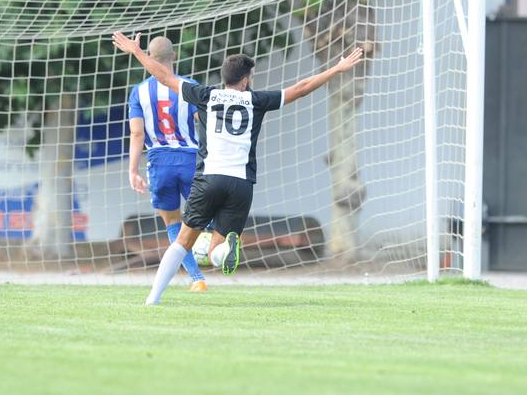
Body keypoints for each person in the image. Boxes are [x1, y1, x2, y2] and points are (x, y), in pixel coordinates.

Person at [111, 31, 363, 305]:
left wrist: (137, 52)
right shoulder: (256, 101)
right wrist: (337, 68)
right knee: (217, 249)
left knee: (182, 241)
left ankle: (153, 298)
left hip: (209, 180)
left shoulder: (206, 95)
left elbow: (163, 76)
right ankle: (223, 250)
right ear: (245, 80)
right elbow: (301, 87)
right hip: (241, 185)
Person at [126, 36, 209, 292]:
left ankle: (197, 279)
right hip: (189, 159)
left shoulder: (139, 91)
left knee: (173, 222)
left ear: (149, 59)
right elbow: (204, 121)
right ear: (174, 57)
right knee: (202, 216)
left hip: (159, 162)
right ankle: (213, 245)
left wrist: (133, 170)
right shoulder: (189, 85)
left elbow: (137, 134)